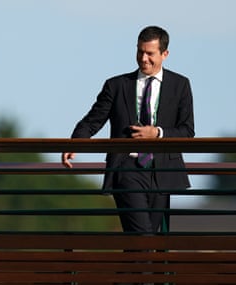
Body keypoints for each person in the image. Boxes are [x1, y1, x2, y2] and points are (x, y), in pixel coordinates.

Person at [61, 26, 195, 234]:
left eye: (150, 53)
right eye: (140, 51)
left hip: (163, 172)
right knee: (143, 237)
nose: (143, 58)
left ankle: (131, 267)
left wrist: (157, 133)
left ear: (165, 54)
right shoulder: (116, 85)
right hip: (127, 168)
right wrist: (76, 141)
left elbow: (187, 131)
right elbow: (93, 120)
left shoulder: (181, 85)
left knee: (140, 240)